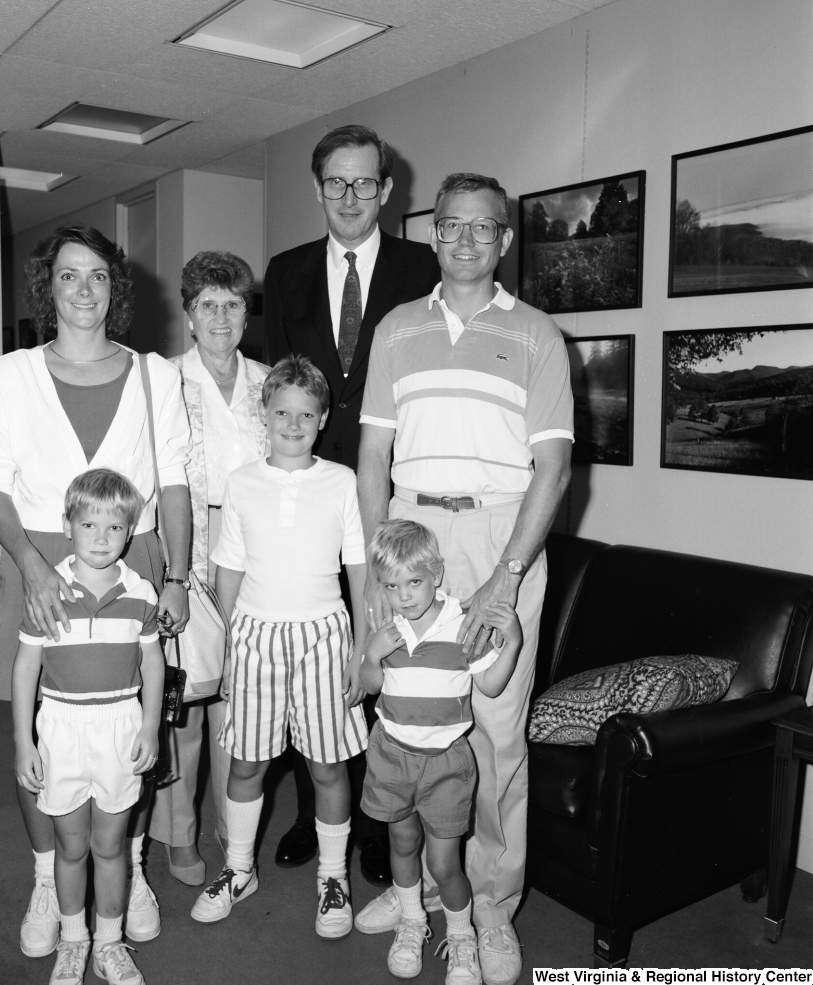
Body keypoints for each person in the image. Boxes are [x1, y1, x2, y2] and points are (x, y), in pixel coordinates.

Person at [356, 173, 574, 985]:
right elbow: (373, 453)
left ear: (504, 241)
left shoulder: (538, 336)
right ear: (434, 233)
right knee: (406, 713)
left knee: (493, 727)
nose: (466, 242)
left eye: (484, 230)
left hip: (498, 532)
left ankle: (488, 908)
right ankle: (416, 894)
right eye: (452, 227)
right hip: (412, 529)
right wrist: (378, 561)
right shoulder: (397, 328)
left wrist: (505, 578)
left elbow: (553, 466)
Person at [0, 224, 192, 960]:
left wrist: (177, 577)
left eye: (98, 274)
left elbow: (176, 485)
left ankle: (125, 864)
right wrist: (35, 567)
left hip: (134, 559)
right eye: (69, 275)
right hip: (35, 555)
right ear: (49, 286)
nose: (84, 289)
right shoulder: (10, 374)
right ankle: (47, 876)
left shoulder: (157, 373)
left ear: (115, 286)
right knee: (44, 724)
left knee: (130, 721)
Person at [264, 123, 439, 884]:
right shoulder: (286, 271)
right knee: (313, 658)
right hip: (305, 499)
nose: (350, 196)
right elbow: (275, 390)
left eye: (365, 182)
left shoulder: (424, 267)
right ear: (318, 189)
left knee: (384, 658)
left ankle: (377, 821)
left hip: (390, 495)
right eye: (336, 181)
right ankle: (312, 810)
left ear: (388, 190)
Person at [190, 355, 369, 939]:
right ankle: (239, 870)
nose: (293, 424)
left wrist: (362, 645)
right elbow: (229, 571)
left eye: (306, 415)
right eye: (282, 412)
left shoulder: (342, 482)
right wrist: (230, 644)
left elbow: (359, 567)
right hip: (257, 638)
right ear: (263, 415)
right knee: (247, 764)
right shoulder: (241, 483)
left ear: (321, 420)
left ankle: (333, 877)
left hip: (324, 636)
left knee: (327, 764)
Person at [13, 469, 164, 985]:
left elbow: (154, 663)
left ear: (130, 530)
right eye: (88, 524)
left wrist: (149, 726)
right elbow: (25, 667)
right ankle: (73, 941)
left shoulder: (140, 592)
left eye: (115, 527)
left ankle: (109, 942)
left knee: (110, 847)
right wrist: (22, 740)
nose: (101, 538)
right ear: (68, 525)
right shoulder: (48, 591)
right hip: (61, 727)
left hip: (120, 726)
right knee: (71, 847)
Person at [356, 520, 522, 985]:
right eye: (391, 585)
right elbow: (370, 687)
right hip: (391, 756)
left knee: (445, 863)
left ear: (437, 573)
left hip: (446, 764)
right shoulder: (386, 626)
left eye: (414, 582)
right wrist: (371, 656)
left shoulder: (460, 624)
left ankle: (462, 937)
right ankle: (411, 922)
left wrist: (513, 643)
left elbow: (490, 682)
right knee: (402, 844)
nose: (404, 595)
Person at [149, 251, 270, 886]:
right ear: (189, 316)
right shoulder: (162, 381)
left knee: (241, 707)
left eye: (232, 304)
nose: (220, 316)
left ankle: (235, 836)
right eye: (207, 306)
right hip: (186, 551)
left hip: (258, 554)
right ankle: (178, 835)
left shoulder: (272, 383)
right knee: (186, 705)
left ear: (247, 313)